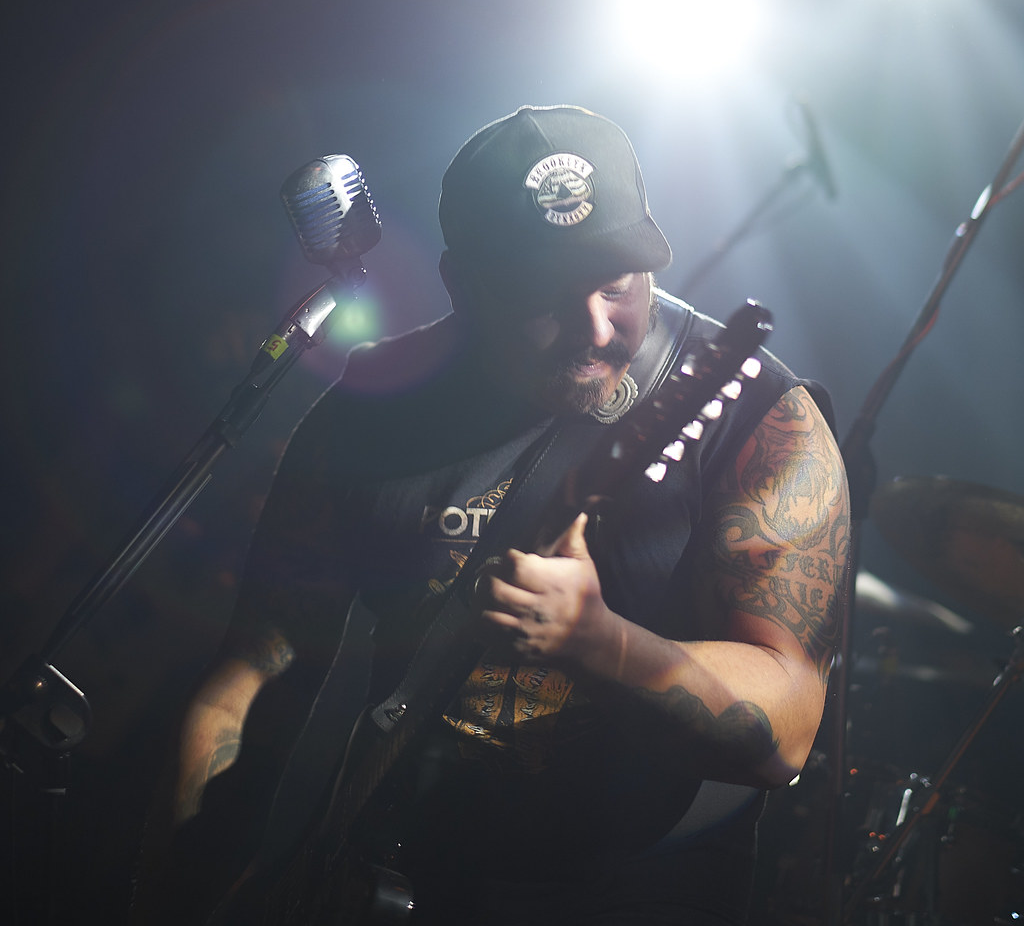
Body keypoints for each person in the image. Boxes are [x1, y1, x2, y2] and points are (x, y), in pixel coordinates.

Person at [135, 105, 849, 925]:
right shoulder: (373, 412)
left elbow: (790, 726)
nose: (595, 327)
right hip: (392, 880)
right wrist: (181, 886)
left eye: (618, 285)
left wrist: (602, 642)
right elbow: (253, 673)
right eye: (546, 295)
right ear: (463, 283)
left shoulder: (758, 416)